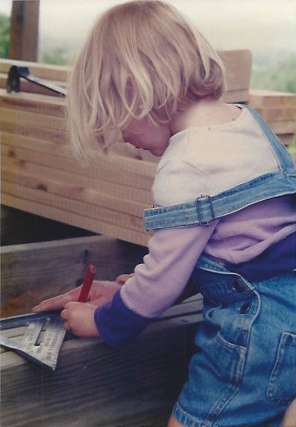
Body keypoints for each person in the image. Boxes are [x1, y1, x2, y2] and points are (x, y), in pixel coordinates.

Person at [33, 1, 296, 426]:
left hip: (258, 328)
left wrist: (103, 320)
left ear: (136, 93)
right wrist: (129, 287)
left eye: (119, 123)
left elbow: (161, 281)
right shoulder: (248, 126)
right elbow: (232, 250)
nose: (126, 139)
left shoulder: (185, 164)